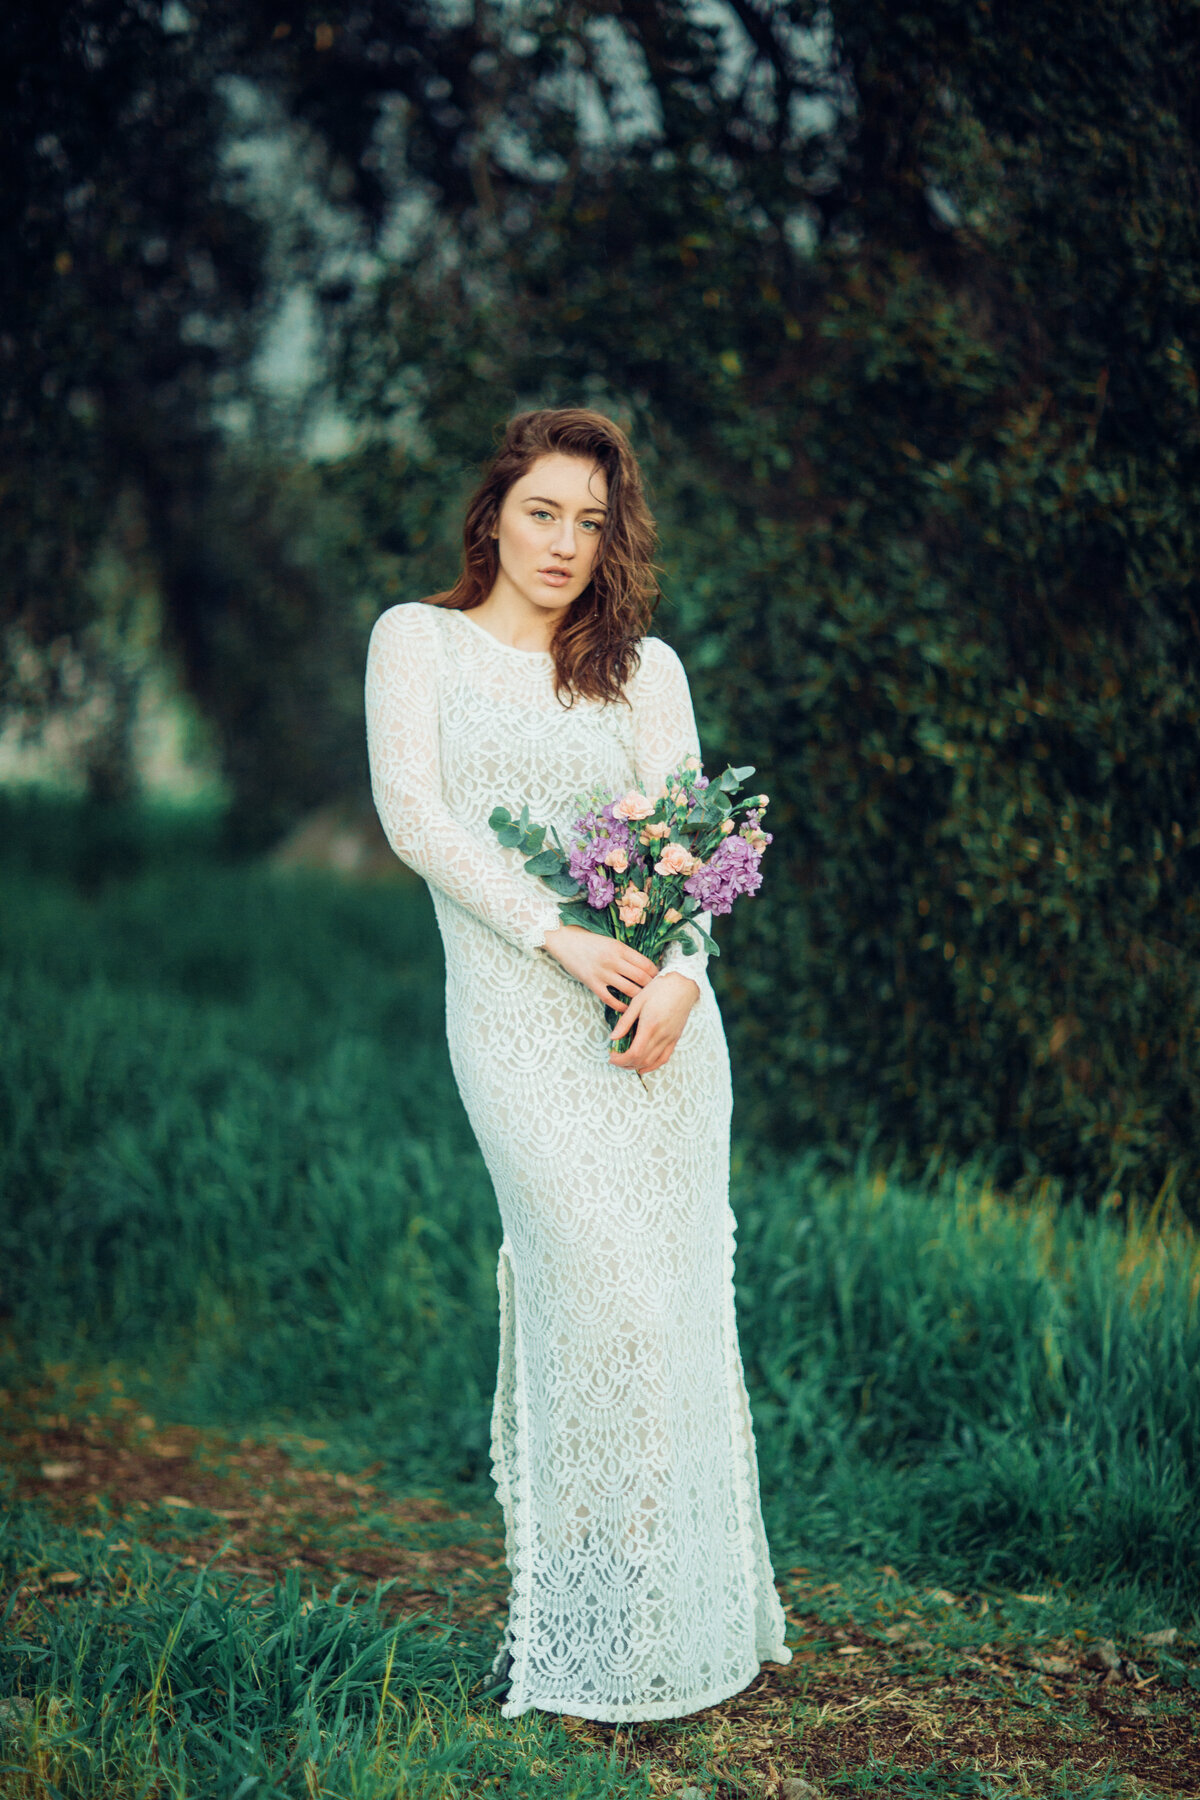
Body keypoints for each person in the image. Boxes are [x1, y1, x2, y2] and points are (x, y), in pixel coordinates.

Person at [364, 407, 790, 1722]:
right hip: (517, 1017)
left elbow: (696, 841)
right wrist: (557, 936)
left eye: (590, 522)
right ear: (495, 510)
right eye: (542, 511)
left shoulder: (642, 669)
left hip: (657, 1029)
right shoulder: (415, 641)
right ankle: (580, 1630)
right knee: (587, 1294)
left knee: (662, 1310)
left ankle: (680, 1621)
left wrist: (681, 975)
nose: (563, 543)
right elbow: (418, 818)